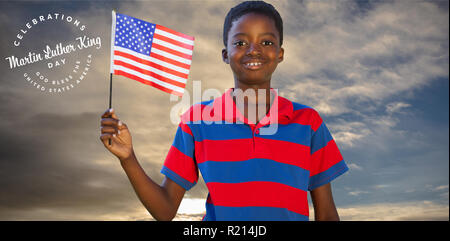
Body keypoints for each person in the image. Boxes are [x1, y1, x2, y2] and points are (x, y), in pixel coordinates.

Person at [100, 0, 348, 221]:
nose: (254, 50)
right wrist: (128, 159)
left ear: (280, 54)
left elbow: (326, 213)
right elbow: (165, 210)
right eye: (240, 42)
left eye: (267, 41)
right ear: (225, 54)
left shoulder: (308, 122)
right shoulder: (196, 120)